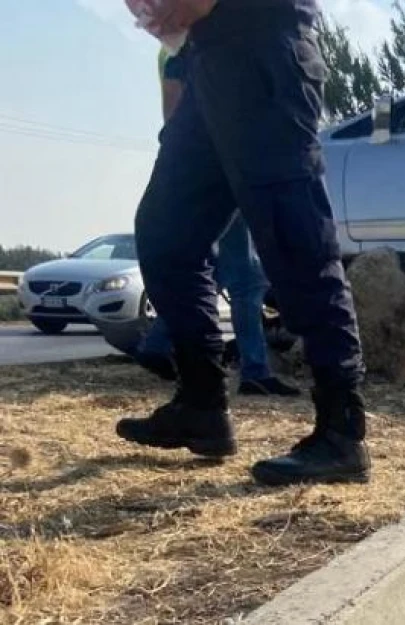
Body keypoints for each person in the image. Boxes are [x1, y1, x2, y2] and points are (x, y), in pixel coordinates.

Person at [116, 0, 369, 487]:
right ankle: (201, 405)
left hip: (265, 55)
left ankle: (342, 431)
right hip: (207, 62)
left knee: (297, 245)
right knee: (165, 234)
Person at [135, 45, 299, 398]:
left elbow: (175, 108)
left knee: (219, 270)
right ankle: (251, 369)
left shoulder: (176, 45)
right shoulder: (193, 44)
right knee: (245, 279)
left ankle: (161, 342)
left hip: (205, 161)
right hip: (220, 162)